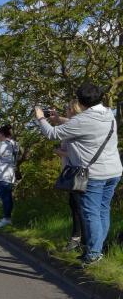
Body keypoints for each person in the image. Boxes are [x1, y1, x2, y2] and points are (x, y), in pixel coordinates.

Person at [36, 82, 122, 265]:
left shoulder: (82, 120)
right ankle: (97, 249)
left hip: (94, 175)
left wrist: (40, 118)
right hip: (113, 171)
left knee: (91, 213)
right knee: (103, 210)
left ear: (80, 102)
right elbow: (81, 125)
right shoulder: (108, 113)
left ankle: (94, 254)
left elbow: (52, 134)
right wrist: (59, 119)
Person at [53, 100, 87, 252]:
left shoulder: (76, 126)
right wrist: (57, 118)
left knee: (79, 207)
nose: (65, 110)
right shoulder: (76, 123)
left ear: (72, 110)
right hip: (71, 170)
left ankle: (82, 240)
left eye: (66, 108)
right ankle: (78, 238)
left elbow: (78, 152)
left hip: (76, 171)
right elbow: (68, 122)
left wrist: (60, 152)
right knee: (74, 205)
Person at [0, 125, 18, 228]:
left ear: (2, 134)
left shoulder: (3, 144)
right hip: (10, 174)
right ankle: (8, 218)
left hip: (2, 174)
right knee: (8, 197)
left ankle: (6, 219)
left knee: (5, 198)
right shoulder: (14, 144)